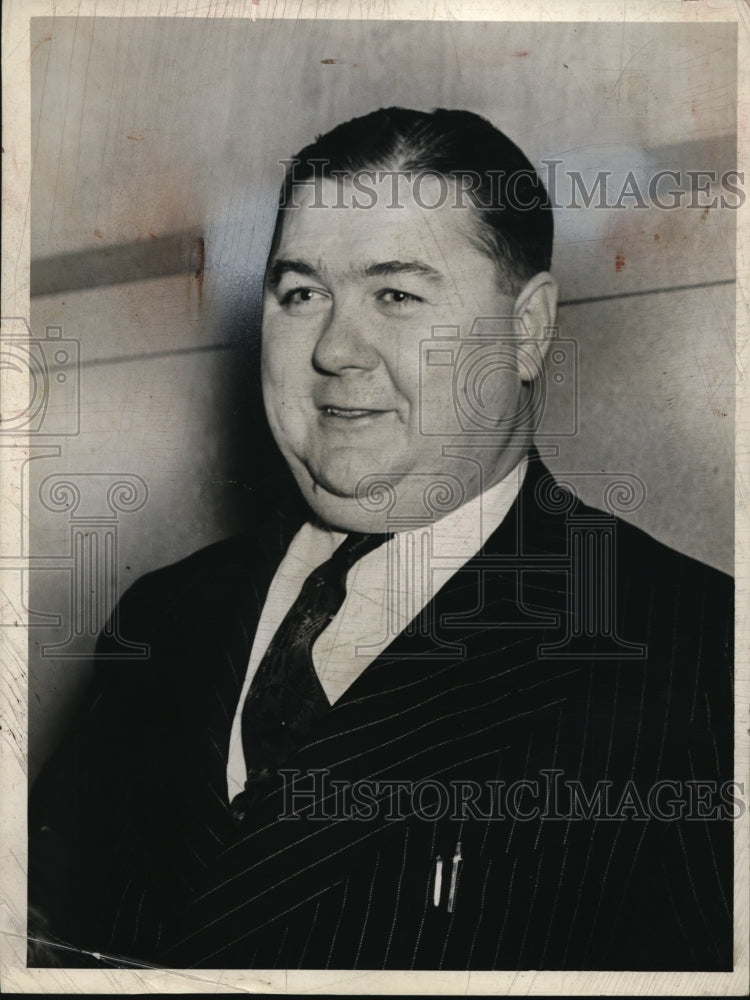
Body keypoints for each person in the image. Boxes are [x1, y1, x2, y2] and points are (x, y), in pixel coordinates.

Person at [28, 107, 733, 972]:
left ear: (528, 328)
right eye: (302, 294)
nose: (333, 349)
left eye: (395, 294)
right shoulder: (169, 614)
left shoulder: (700, 659)